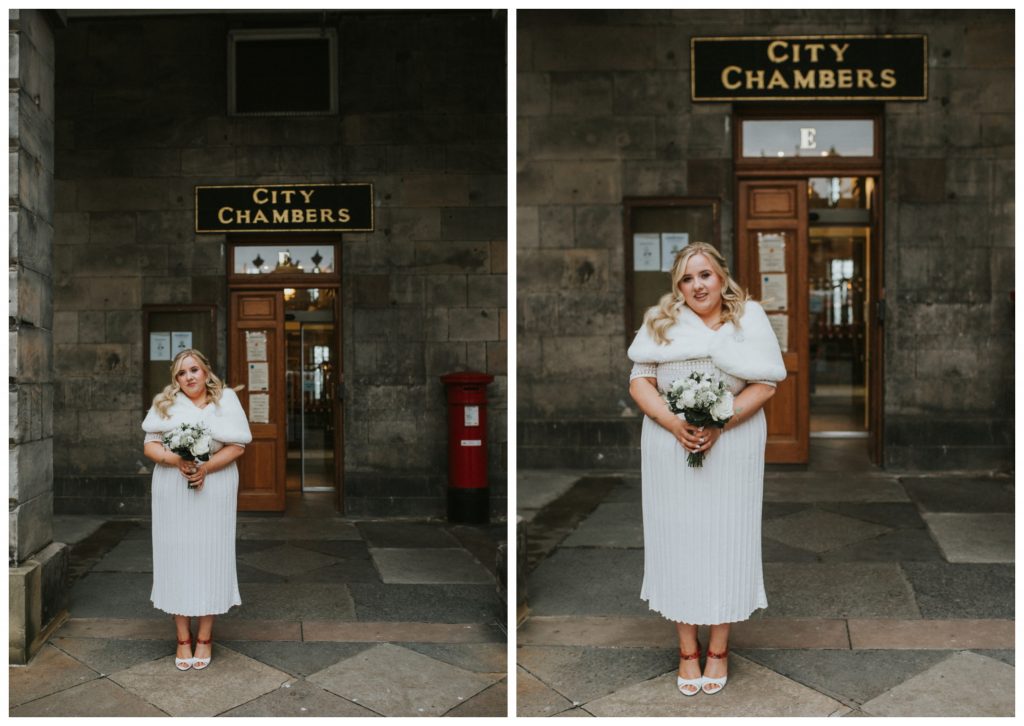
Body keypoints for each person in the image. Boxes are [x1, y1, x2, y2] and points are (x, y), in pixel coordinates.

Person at [627, 242, 786, 696]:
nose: (697, 285)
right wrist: (674, 423)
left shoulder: (748, 319)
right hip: (669, 445)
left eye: (705, 275)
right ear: (678, 286)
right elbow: (640, 380)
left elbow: (766, 382)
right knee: (678, 540)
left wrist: (721, 421)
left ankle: (718, 648)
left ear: (721, 277)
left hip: (732, 445)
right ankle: (686, 650)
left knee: (725, 538)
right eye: (686, 278)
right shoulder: (661, 322)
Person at [141, 349, 252, 671]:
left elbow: (237, 445)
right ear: (175, 379)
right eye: (181, 373)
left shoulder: (226, 401)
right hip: (172, 486)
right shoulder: (165, 403)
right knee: (176, 556)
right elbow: (150, 445)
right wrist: (178, 459)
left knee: (210, 555)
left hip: (215, 485)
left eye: (194, 370)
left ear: (206, 372)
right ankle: (182, 638)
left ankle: (204, 636)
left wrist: (205, 469)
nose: (188, 377)